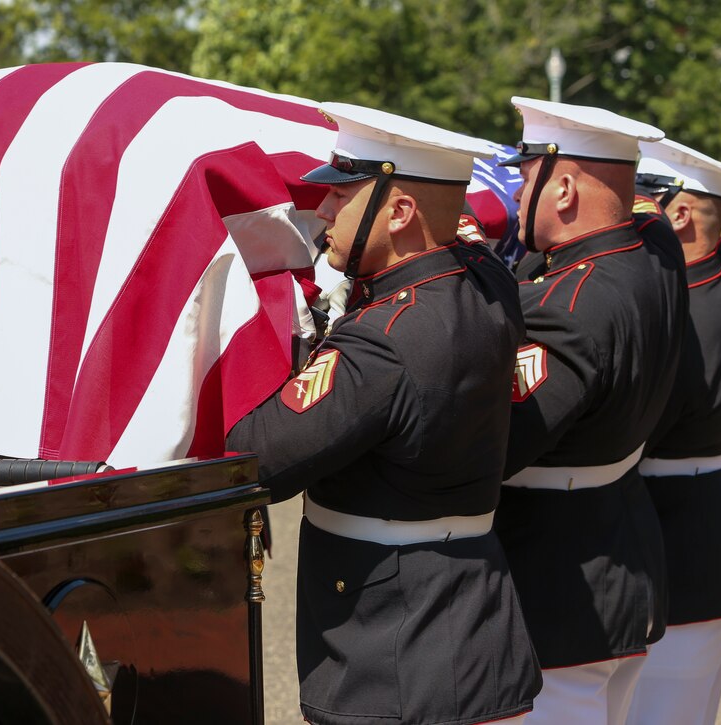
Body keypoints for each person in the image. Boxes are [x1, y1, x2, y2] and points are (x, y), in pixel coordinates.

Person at [227, 103, 541, 725]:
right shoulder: (486, 277)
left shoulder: (385, 338)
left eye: (340, 196)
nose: (320, 212)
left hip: (393, 654)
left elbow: (255, 459)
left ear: (398, 212)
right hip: (473, 620)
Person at [493, 97, 689, 724]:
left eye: (525, 180)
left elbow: (495, 447)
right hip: (621, 547)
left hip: (561, 582)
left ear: (567, 188)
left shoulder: (571, 305)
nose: (516, 196)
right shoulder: (654, 249)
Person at [624, 139, 721, 725]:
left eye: (644, 200)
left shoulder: (688, 309)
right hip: (705, 525)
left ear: (679, 215)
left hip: (683, 539)